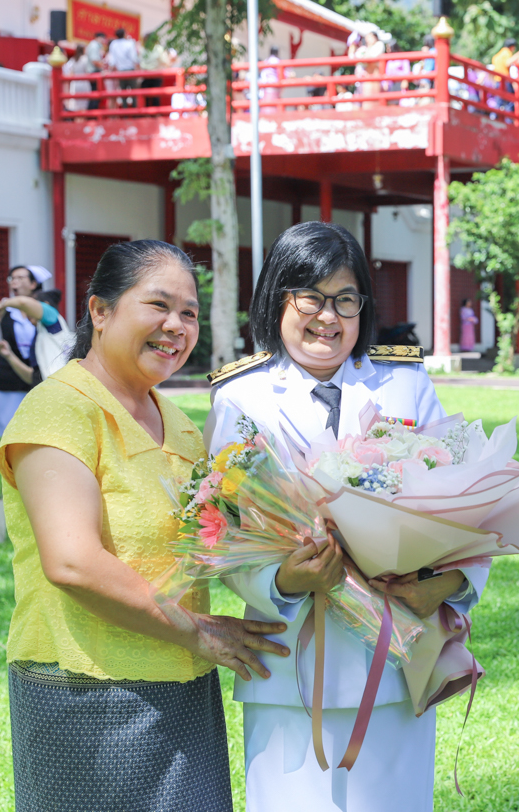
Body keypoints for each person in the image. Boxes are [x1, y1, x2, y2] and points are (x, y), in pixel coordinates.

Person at [202, 222, 487, 811]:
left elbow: (464, 501)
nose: (328, 317)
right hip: (290, 668)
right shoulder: (240, 397)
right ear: (277, 299)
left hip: (399, 658)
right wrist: (282, 581)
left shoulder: (405, 382)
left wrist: (452, 583)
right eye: (310, 297)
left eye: (345, 299)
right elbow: (221, 531)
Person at [0, 240, 289, 811]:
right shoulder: (59, 408)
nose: (176, 325)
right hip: (85, 694)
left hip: (183, 688)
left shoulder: (178, 423)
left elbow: (211, 542)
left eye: (190, 313)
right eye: (158, 305)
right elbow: (72, 562)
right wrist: (197, 630)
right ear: (100, 311)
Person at [0, 265, 49, 437]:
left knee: (36, 433)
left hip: (38, 380)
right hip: (8, 381)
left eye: (20, 278)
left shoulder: (44, 311)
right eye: (12, 278)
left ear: (33, 284)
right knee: (9, 434)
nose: (15, 282)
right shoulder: (3, 313)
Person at [0, 288, 73, 382]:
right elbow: (33, 378)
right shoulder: (40, 334)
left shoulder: (53, 319)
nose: (26, 313)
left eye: (27, 309)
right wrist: (9, 355)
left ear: (46, 305)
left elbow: (23, 303)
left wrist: (2, 304)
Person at [106, 27, 139, 108]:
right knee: (134, 92)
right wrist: (138, 67)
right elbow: (134, 58)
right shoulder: (129, 43)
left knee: (123, 93)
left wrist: (111, 68)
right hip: (130, 70)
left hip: (120, 71)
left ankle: (124, 110)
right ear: (124, 34)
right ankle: (135, 110)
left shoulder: (114, 44)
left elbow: (112, 60)